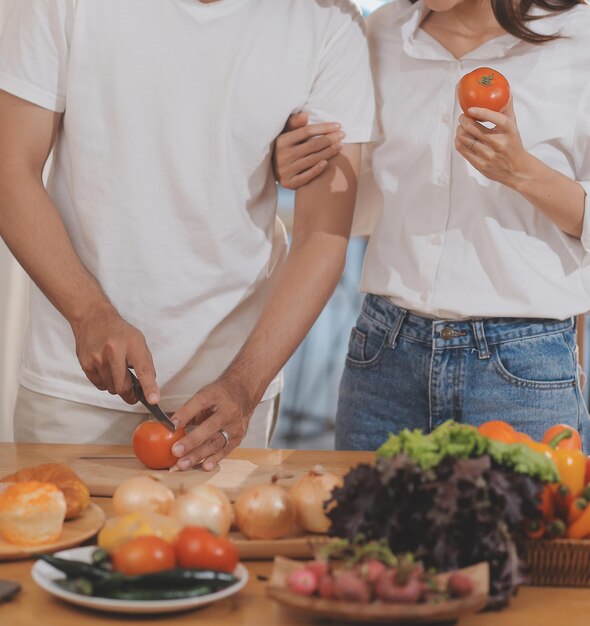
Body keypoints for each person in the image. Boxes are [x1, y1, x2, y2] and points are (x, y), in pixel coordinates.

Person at [0, 0, 376, 470]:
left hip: (231, 402)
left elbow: (323, 237)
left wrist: (244, 384)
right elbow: (10, 169)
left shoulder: (329, 20)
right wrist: (89, 314)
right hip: (74, 391)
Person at [273, 0, 590, 450]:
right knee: (364, 521)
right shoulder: (379, 33)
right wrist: (298, 166)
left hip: (522, 367)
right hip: (385, 353)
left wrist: (521, 171)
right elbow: (363, 199)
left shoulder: (579, 38)